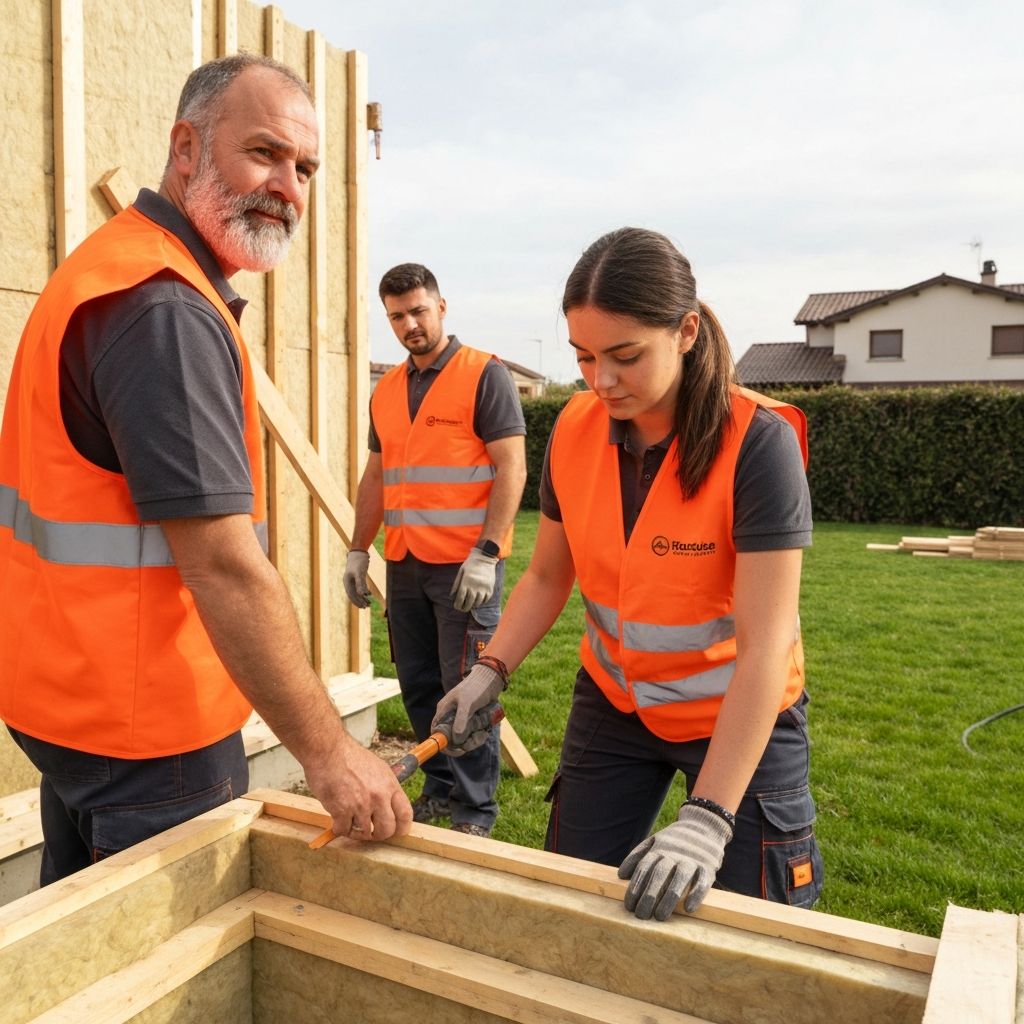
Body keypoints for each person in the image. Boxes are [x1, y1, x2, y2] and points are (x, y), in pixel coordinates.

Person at [0, 53, 411, 885]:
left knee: (80, 942)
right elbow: (223, 564)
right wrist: (330, 752)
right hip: (150, 736)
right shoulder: (162, 307)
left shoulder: (113, 265)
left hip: (71, 704)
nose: (287, 187)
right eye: (264, 153)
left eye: (305, 169)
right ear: (185, 148)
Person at [434, 227, 824, 919]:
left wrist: (708, 816)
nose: (600, 380)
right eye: (584, 356)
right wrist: (490, 669)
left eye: (625, 356)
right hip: (617, 702)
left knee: (754, 930)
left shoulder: (758, 444)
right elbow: (547, 576)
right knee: (573, 902)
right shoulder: (574, 429)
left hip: (737, 713)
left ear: (686, 332)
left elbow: (765, 649)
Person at [343, 264, 527, 838]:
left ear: (441, 307)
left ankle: (475, 810)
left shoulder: (484, 376)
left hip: (465, 567)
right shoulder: (387, 389)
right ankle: (440, 789)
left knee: (467, 689)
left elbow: (512, 468)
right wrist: (358, 549)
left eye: (418, 311)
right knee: (420, 684)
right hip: (405, 564)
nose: (409, 325)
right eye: (397, 316)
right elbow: (376, 476)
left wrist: (488, 552)